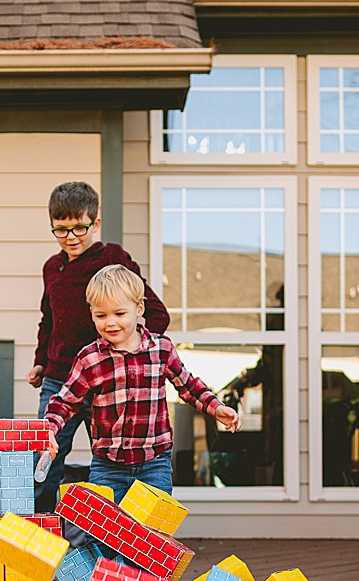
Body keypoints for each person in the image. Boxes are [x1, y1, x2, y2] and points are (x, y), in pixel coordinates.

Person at [43, 264, 239, 505]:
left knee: (151, 533)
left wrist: (216, 408)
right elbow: (65, 401)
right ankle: (95, 545)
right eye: (101, 316)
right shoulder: (89, 358)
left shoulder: (161, 349)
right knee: (103, 533)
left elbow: (188, 386)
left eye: (119, 314)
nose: (110, 323)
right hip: (108, 467)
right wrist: (48, 429)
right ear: (91, 312)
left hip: (154, 463)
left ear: (139, 309)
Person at [30, 181, 169, 511]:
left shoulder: (111, 257)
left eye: (80, 227)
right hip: (58, 379)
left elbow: (153, 313)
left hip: (104, 382)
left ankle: (119, 537)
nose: (71, 237)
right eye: (61, 230)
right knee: (43, 457)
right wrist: (40, 361)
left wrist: (128, 355)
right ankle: (39, 536)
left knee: (113, 463)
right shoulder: (52, 267)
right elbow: (48, 319)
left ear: (96, 222)